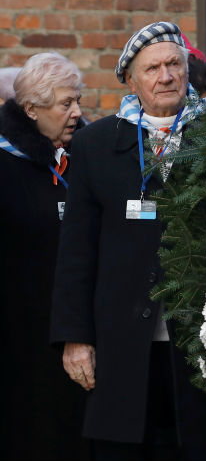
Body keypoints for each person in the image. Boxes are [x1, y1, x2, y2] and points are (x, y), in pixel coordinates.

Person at [50, 22, 206, 460]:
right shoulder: (96, 145)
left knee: (202, 447)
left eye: (174, 64)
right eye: (153, 68)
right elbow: (76, 251)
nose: (166, 76)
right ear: (131, 80)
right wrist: (75, 337)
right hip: (121, 342)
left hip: (203, 346)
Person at [0, 52, 88, 461]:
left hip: (77, 332)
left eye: (78, 101)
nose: (76, 112)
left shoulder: (85, 159)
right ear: (31, 109)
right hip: (19, 338)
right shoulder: (6, 164)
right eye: (65, 103)